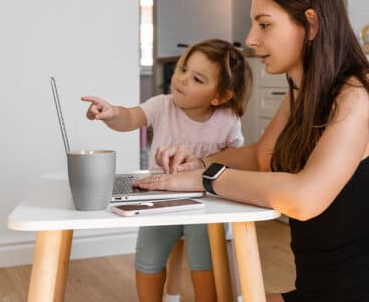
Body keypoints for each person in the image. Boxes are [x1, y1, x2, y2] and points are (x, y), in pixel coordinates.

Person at [134, 0, 369, 302]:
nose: (252, 39)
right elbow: (260, 157)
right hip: (314, 293)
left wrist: (208, 177)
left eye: (265, 24)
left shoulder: (357, 91)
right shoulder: (301, 92)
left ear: (310, 23)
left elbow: (304, 198)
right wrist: (195, 162)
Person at [82, 39, 252, 302]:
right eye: (183, 69)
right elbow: (130, 118)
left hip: (208, 203)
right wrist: (112, 112)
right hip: (159, 199)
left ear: (219, 96)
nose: (182, 79)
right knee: (148, 258)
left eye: (197, 79)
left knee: (205, 264)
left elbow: (237, 160)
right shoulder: (162, 105)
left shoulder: (228, 120)